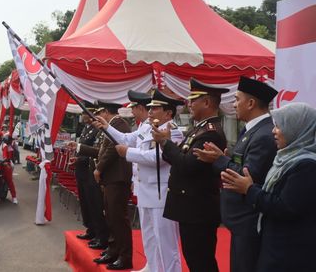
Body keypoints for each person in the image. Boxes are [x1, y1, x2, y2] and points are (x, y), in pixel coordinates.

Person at [220, 102, 316, 272]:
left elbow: (285, 207)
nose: (273, 131)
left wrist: (249, 189)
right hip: (276, 247)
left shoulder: (306, 165)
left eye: (279, 126)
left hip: (290, 254)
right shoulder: (286, 158)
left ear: (296, 128)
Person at [194, 76, 278, 272]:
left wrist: (220, 160)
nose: (233, 104)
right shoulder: (252, 130)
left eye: (237, 99)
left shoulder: (264, 135)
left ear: (251, 103)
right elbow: (237, 164)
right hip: (239, 221)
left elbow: (249, 175)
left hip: (248, 221)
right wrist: (222, 160)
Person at [98, 90, 185, 272]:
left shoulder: (173, 131)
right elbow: (126, 139)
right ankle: (153, 267)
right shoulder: (147, 127)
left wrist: (128, 153)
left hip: (162, 194)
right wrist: (106, 127)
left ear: (168, 112)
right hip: (145, 191)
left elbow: (159, 157)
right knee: (150, 237)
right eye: (151, 107)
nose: (151, 111)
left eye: (156, 108)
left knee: (166, 243)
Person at [152, 78, 228, 272]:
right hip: (191, 207)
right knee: (195, 259)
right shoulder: (200, 128)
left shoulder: (210, 132)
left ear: (207, 102)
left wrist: (165, 143)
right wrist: (169, 146)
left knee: (201, 261)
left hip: (198, 209)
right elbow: (183, 158)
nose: (189, 104)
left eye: (194, 100)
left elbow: (187, 165)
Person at [87, 101, 133, 270]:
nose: (98, 115)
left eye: (100, 112)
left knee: (118, 218)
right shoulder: (112, 125)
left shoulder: (119, 124)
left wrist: (99, 168)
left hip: (118, 177)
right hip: (112, 177)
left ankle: (125, 256)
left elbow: (113, 149)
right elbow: (102, 149)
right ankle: (114, 250)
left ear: (106, 111)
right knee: (111, 216)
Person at [69, 101, 106, 243]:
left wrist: (80, 159)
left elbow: (95, 152)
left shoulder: (97, 129)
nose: (83, 115)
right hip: (81, 170)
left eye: (85, 112)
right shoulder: (85, 128)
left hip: (91, 170)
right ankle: (90, 229)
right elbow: (82, 148)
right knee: (85, 202)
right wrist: (76, 159)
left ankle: (100, 233)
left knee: (94, 203)